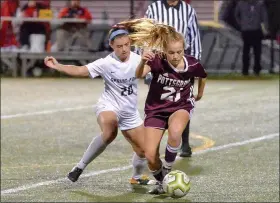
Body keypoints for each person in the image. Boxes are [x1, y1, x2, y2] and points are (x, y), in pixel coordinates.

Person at [44, 25, 154, 185]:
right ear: (111, 45)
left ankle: (136, 178)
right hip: (108, 105)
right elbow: (80, 70)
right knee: (110, 130)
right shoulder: (106, 63)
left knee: (144, 151)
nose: (123, 49)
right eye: (119, 46)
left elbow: (146, 72)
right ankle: (79, 167)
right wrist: (57, 66)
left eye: (126, 45)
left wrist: (151, 66)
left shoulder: (138, 60)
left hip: (129, 111)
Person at [118, 18, 207, 194]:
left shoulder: (192, 64)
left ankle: (167, 171)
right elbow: (139, 75)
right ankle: (162, 182)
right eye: (171, 52)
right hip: (156, 110)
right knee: (150, 155)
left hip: (181, 105)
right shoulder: (157, 60)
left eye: (179, 52)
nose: (175, 56)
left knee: (175, 133)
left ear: (184, 49)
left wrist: (199, 93)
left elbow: (202, 75)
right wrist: (143, 61)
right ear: (164, 51)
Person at [143, 0, 202, 157]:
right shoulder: (153, 8)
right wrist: (144, 61)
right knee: (157, 104)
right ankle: (154, 143)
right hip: (158, 66)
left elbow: (194, 37)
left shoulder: (188, 10)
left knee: (183, 103)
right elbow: (146, 34)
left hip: (181, 65)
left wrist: (193, 64)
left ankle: (185, 143)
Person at [235, 0, 269, 76]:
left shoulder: (241, 3)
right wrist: (266, 29)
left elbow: (236, 15)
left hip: (247, 30)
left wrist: (241, 24)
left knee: (247, 51)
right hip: (255, 29)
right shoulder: (260, 4)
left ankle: (245, 70)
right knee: (256, 51)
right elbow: (264, 17)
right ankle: (256, 70)